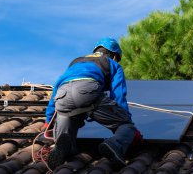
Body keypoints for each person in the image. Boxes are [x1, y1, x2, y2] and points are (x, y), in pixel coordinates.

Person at [44, 37, 141, 170]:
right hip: (87, 91)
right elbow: (118, 95)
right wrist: (126, 121)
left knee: (67, 127)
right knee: (127, 127)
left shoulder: (76, 62)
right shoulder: (112, 63)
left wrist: (48, 120)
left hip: (62, 97)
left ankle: (63, 148)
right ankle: (114, 145)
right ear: (114, 56)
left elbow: (56, 89)